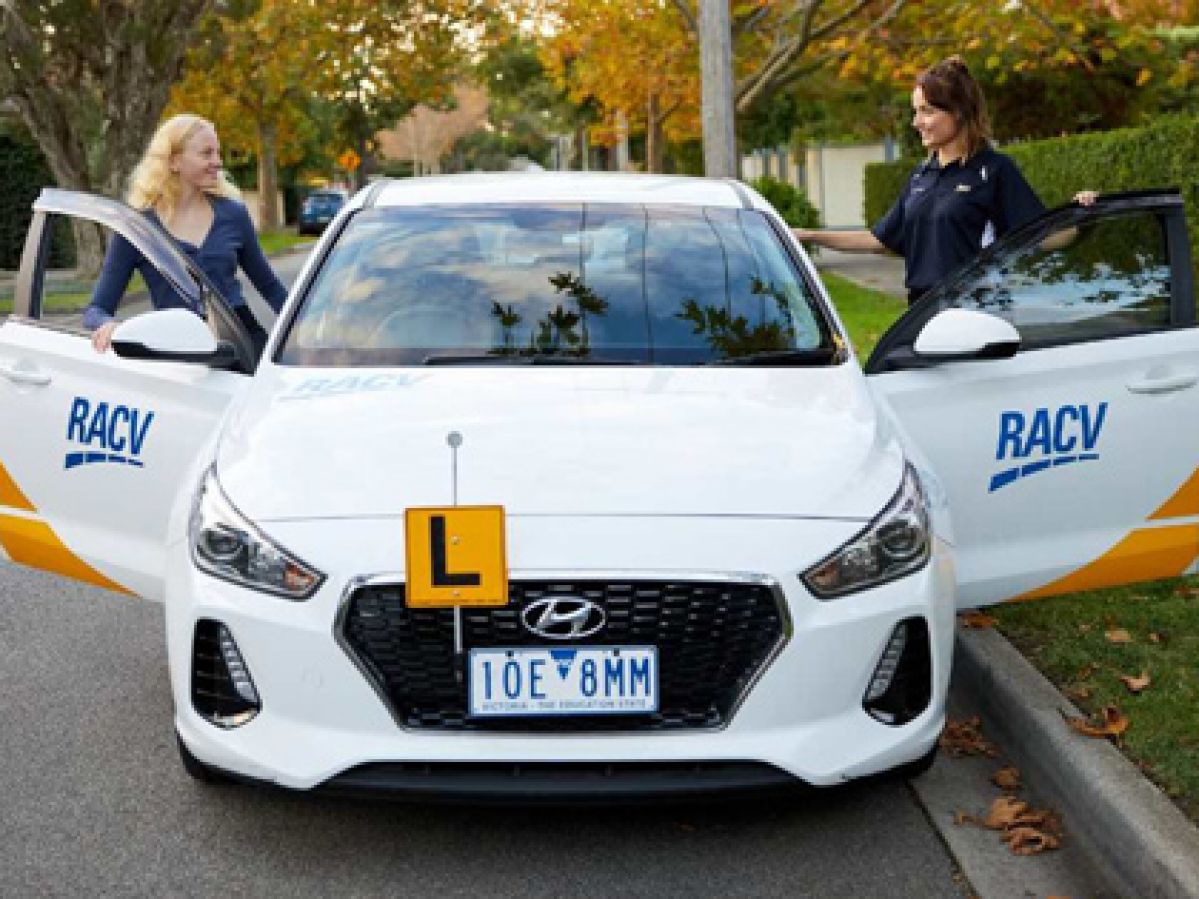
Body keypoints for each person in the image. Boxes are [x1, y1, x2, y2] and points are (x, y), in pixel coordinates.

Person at [794, 56, 1096, 305]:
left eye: (926, 111)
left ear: (960, 112)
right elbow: (879, 239)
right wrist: (808, 236)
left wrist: (1079, 215)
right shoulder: (920, 176)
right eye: (916, 111)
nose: (916, 122)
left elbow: (1042, 236)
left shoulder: (993, 170)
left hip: (977, 312)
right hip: (921, 314)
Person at [83, 114, 287, 353]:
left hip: (242, 345)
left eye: (218, 152)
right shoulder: (138, 228)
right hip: (178, 351)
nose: (218, 162)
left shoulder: (234, 213)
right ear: (174, 161)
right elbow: (96, 309)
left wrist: (306, 328)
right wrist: (108, 325)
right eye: (206, 153)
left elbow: (271, 287)